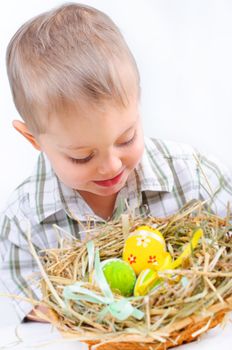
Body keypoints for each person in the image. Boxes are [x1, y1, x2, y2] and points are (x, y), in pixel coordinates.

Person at [0, 2, 231, 323]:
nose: (110, 166)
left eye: (126, 139)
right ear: (33, 140)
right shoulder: (25, 221)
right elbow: (29, 299)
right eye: (82, 156)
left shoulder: (191, 175)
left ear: (138, 103)